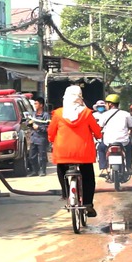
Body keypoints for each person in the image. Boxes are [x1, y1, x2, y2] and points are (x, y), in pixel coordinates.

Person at [48, 85, 103, 217]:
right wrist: (98, 136)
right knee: (88, 176)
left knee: (61, 169)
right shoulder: (86, 113)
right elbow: (97, 131)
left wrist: (51, 139)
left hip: (63, 152)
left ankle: (66, 194)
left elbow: (51, 133)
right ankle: (88, 203)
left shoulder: (58, 114)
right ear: (80, 98)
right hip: (83, 153)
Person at [98, 93, 132, 175]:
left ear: (110, 104)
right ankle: (129, 167)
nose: (105, 105)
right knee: (129, 148)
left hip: (108, 141)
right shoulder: (126, 114)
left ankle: (104, 168)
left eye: (106, 103)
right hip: (123, 141)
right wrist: (131, 133)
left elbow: (99, 128)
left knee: (100, 148)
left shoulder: (104, 115)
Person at [28, 96, 50, 177]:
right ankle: (35, 170)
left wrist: (39, 127)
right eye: (34, 103)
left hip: (41, 138)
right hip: (33, 138)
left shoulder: (46, 115)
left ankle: (42, 171)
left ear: (41, 105)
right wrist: (29, 123)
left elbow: (48, 128)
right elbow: (28, 123)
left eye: (36, 103)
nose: (35, 105)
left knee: (42, 156)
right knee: (31, 156)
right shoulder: (33, 114)